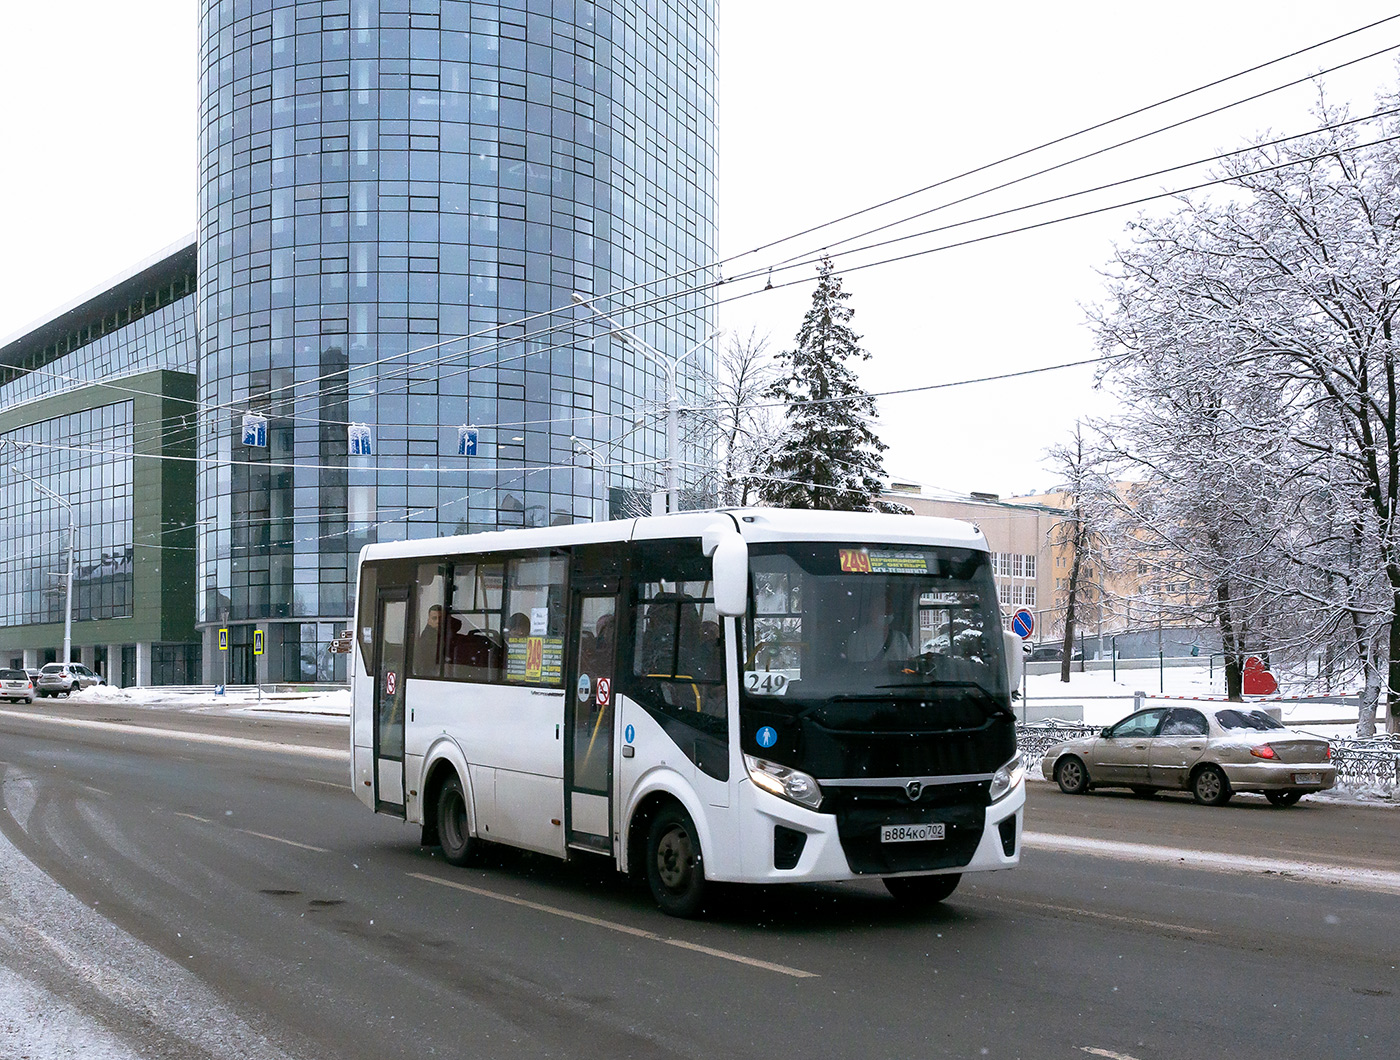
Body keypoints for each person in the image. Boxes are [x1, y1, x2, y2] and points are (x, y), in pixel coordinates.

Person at [845, 592, 912, 663]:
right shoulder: (857, 639)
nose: (886, 611)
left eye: (889, 607)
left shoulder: (900, 638)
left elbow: (910, 661)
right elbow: (857, 669)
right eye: (881, 607)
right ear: (870, 611)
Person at [415, 604, 444, 673]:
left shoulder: (445, 632)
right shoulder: (427, 637)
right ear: (429, 620)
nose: (438, 621)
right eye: (434, 618)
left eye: (440, 618)